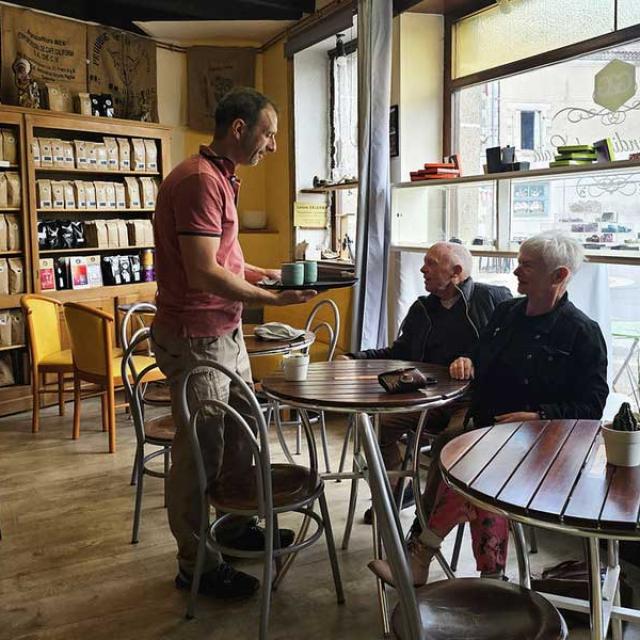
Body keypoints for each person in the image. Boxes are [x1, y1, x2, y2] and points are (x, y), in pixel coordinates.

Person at [369, 231, 609, 587]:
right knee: (468, 456)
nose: (516, 272)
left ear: (559, 276)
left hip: (541, 444)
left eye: (527, 266)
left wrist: (540, 415)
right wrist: (467, 359)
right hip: (489, 429)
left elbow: (592, 407)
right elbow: (481, 358)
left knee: (470, 461)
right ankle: (489, 578)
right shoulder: (506, 312)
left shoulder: (582, 333)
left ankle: (424, 554)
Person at [151, 87, 316, 600]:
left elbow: (224, 259)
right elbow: (202, 274)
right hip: (198, 338)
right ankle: (195, 562)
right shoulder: (201, 181)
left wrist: (267, 274)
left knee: (244, 435)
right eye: (267, 133)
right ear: (239, 128)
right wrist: (275, 299)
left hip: (223, 333)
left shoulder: (219, 176)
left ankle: (237, 526)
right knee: (201, 451)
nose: (271, 145)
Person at [341, 242, 511, 523]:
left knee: (449, 444)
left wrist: (473, 360)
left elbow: (505, 349)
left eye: (431, 263)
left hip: (472, 400)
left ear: (456, 272)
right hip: (426, 397)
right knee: (374, 425)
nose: (423, 269)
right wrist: (355, 358)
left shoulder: (493, 299)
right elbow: (398, 353)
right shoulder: (423, 308)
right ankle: (396, 493)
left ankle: (426, 526)